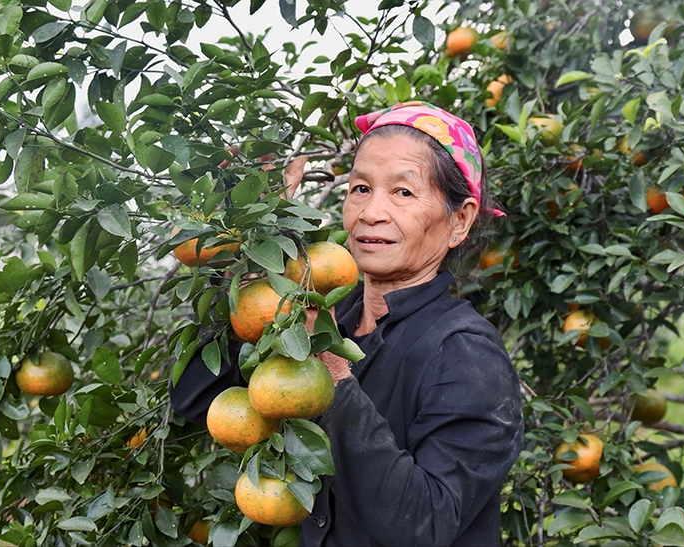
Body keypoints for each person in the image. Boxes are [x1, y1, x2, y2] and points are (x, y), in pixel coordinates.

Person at [170, 101, 524, 546]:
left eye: (403, 192)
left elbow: (426, 523)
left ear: (460, 220)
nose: (371, 212)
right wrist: (248, 262)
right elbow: (195, 399)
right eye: (360, 188)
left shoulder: (465, 353)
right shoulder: (330, 314)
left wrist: (332, 370)